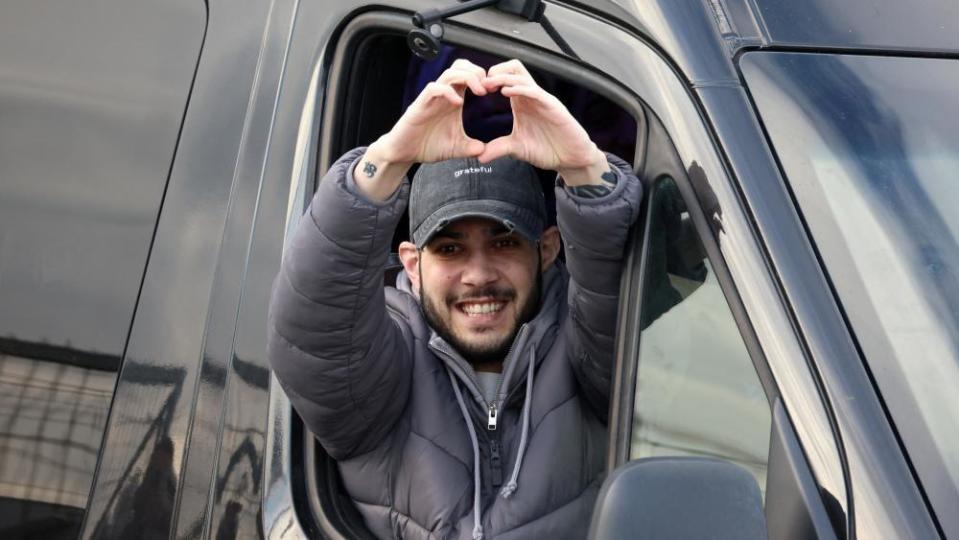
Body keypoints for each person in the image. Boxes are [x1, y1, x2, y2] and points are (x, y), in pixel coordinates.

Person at [268, 58, 643, 539]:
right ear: (411, 265)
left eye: (504, 241)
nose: (479, 274)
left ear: (547, 250)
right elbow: (312, 332)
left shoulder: (585, 351)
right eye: (449, 248)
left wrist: (585, 167)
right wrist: (388, 160)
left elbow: (617, 306)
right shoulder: (385, 359)